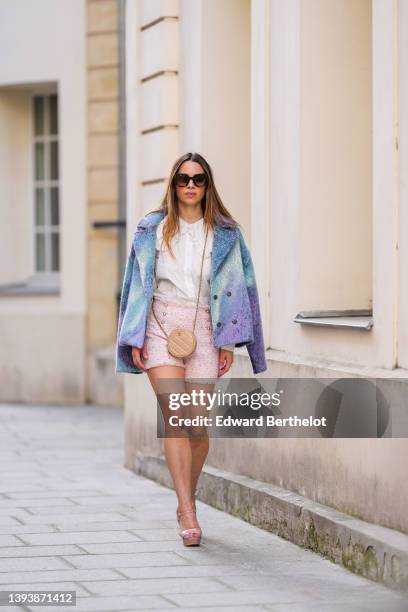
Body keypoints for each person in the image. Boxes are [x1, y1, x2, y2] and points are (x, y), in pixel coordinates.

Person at [116, 152, 267, 546]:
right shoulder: (152, 229)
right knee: (176, 417)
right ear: (173, 183)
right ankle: (187, 509)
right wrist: (133, 336)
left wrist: (229, 341)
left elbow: (240, 288)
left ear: (207, 185)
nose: (190, 186)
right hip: (160, 325)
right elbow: (134, 285)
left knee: (198, 428)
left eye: (198, 180)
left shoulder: (226, 234)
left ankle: (187, 493)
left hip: (206, 325)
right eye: (183, 179)